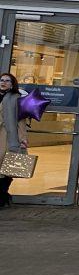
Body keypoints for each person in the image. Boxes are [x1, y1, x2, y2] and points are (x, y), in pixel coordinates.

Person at [0, 73, 29, 209]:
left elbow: (20, 120)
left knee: (6, 167)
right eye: (1, 80)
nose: (3, 82)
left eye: (7, 80)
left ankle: (2, 196)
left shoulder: (15, 98)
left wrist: (23, 138)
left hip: (7, 136)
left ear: (12, 84)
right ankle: (4, 196)